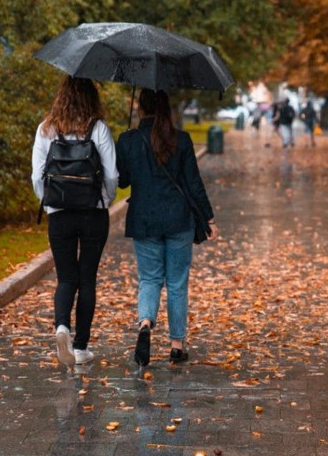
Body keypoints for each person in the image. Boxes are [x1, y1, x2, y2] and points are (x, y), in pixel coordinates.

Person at [115, 88, 218, 366]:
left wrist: (124, 149)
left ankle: (145, 324)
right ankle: (176, 344)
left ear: (141, 109)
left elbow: (122, 181)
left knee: (149, 279)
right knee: (176, 282)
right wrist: (208, 218)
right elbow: (193, 183)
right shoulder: (181, 140)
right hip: (178, 219)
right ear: (166, 109)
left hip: (144, 220)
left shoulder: (128, 140)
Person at [31, 76, 118, 367]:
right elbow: (111, 175)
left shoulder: (46, 129)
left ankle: (61, 328)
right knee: (87, 278)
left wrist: (51, 202)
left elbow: (36, 177)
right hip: (94, 212)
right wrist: (106, 199)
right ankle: (80, 348)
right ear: (92, 98)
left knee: (66, 277)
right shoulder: (99, 129)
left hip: (60, 215)